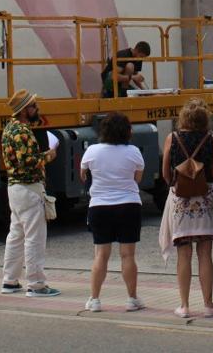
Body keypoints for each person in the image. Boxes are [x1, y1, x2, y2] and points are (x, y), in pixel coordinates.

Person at [159, 98, 213, 318]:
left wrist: (176, 185)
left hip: (180, 201)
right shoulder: (212, 139)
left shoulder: (173, 138)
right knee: (205, 253)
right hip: (205, 199)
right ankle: (208, 304)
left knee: (183, 254)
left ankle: (185, 305)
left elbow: (165, 172)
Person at [80, 111, 146, 313]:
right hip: (128, 205)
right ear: (127, 131)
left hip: (99, 206)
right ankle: (132, 299)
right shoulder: (133, 151)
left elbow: (83, 175)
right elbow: (137, 179)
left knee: (101, 254)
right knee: (127, 255)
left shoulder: (92, 151)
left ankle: (95, 299)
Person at [0, 89, 60, 298]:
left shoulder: (9, 128)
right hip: (29, 188)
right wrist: (49, 155)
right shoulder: (23, 131)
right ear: (26, 110)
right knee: (34, 238)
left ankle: (10, 280)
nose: (38, 109)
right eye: (34, 106)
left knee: (15, 235)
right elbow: (29, 162)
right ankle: (36, 284)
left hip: (14, 189)